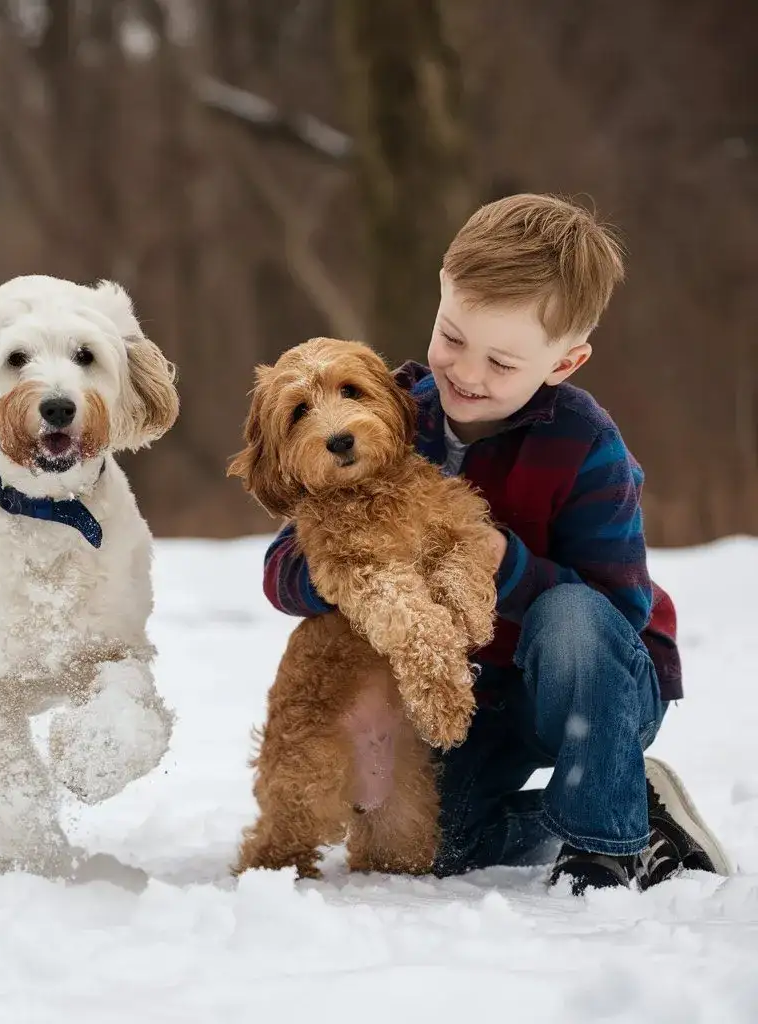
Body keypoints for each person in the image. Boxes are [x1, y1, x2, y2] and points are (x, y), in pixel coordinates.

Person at [262, 193, 732, 894]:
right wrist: (344, 572)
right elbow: (282, 571)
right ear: (440, 302)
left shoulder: (584, 445)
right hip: (473, 692)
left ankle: (606, 845)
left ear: (564, 363)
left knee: (572, 618)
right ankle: (634, 803)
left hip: (588, 686)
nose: (467, 373)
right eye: (452, 338)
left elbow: (615, 611)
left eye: (503, 363)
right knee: (433, 841)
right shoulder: (383, 408)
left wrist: (503, 563)